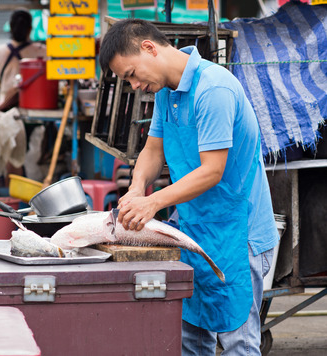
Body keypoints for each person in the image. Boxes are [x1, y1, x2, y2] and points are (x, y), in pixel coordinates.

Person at [99, 19, 280, 355]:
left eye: (132, 75)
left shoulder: (213, 89)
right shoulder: (167, 90)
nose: (135, 85)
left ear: (149, 49)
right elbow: (153, 149)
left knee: (237, 343)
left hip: (237, 237)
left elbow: (212, 171)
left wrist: (152, 203)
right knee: (190, 341)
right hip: (193, 230)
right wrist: (137, 188)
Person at [0, 9, 46, 181]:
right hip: (35, 113)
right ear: (29, 29)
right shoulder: (41, 50)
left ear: (10, 27)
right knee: (34, 160)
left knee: (12, 156)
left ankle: (13, 198)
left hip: (5, 112)